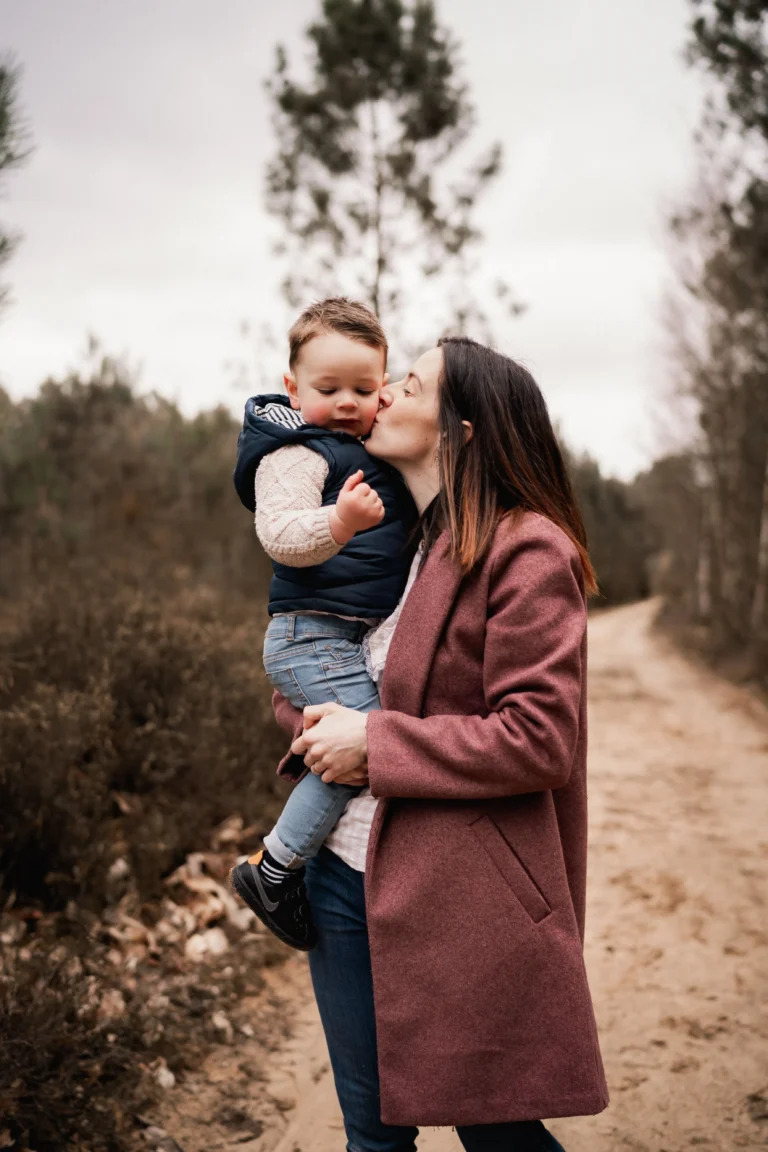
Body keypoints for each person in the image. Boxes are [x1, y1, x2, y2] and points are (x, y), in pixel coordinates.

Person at [272, 337, 610, 1151]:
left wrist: (375, 746)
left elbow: (539, 739)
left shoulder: (528, 550)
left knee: (497, 1134)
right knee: (375, 1139)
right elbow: (334, 685)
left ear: (461, 429)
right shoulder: (397, 545)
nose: (381, 395)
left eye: (408, 385)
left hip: (460, 895)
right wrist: (319, 727)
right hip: (344, 879)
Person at [229, 297, 415, 950]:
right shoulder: (296, 450)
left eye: (364, 389)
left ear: (384, 388)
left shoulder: (362, 446)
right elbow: (280, 535)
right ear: (292, 387)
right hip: (310, 635)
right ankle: (274, 870)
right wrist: (340, 522)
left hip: (335, 637)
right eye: (327, 388)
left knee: (357, 746)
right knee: (362, 748)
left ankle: (287, 866)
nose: (345, 402)